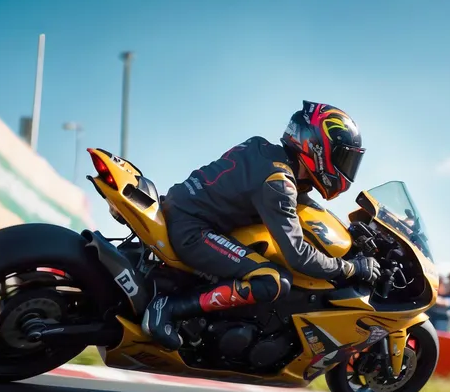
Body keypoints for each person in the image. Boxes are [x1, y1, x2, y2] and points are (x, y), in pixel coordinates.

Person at [141, 101, 379, 350]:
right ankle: (169, 307)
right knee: (273, 280)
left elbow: (303, 204)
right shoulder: (278, 183)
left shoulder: (263, 150)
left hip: (179, 208)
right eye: (343, 157)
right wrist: (350, 268)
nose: (345, 167)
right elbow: (298, 256)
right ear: (318, 148)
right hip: (192, 230)